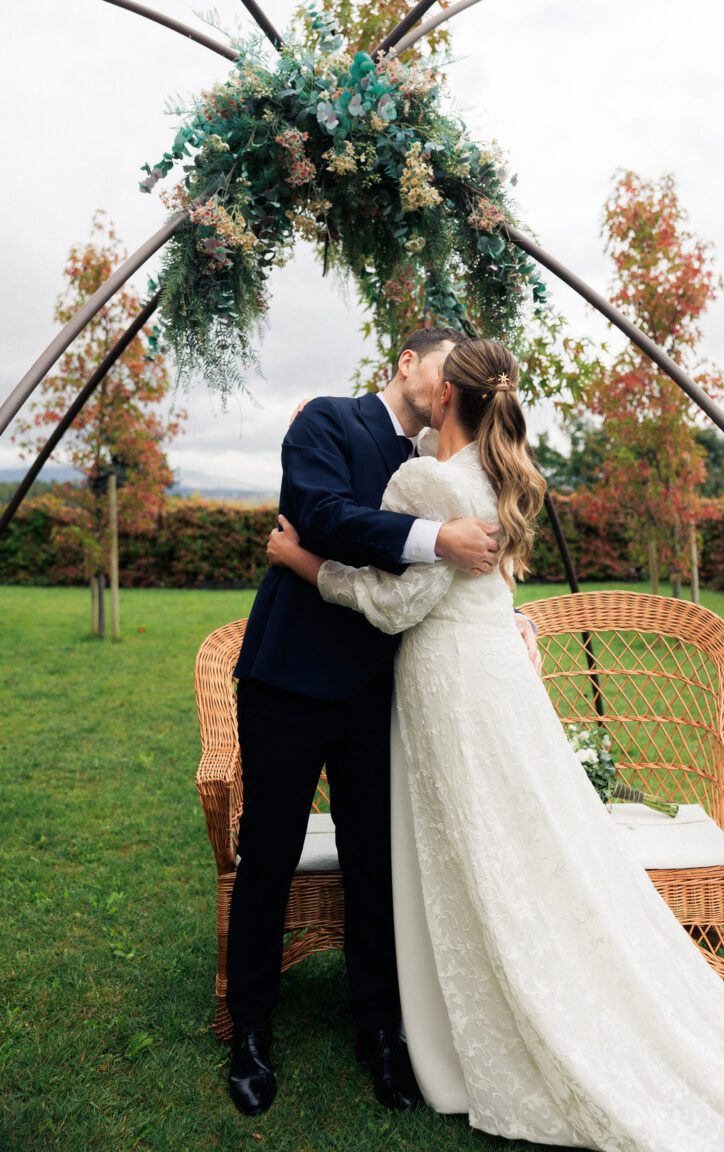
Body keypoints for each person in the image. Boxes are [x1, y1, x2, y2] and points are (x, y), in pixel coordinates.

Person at [268, 336, 724, 1152]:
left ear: (443, 399)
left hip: (452, 687)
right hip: (496, 677)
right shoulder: (496, 475)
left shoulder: (427, 478)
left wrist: (302, 563)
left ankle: (499, 1015)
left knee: (479, 846)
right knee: (529, 842)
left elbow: (396, 609)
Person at [227, 327, 541, 1117]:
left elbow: (462, 564)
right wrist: (436, 538)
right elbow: (323, 514)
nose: (448, 388)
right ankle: (251, 1030)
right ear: (409, 363)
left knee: (377, 865)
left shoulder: (443, 464)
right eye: (443, 366)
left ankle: (382, 1032)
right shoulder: (327, 420)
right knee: (268, 854)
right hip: (291, 681)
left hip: (381, 691)